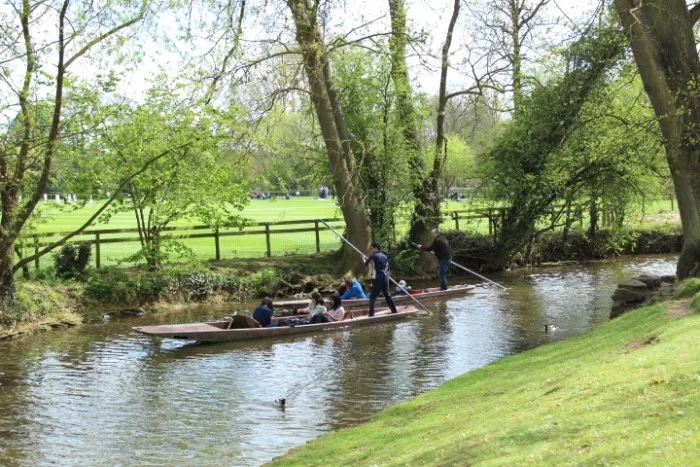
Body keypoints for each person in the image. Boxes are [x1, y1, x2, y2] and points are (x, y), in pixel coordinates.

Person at [364, 242, 398, 317]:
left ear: (376, 248)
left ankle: (371, 315)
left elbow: (366, 264)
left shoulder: (373, 256)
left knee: (372, 296)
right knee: (387, 295)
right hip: (385, 277)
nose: (371, 250)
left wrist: (363, 258)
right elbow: (388, 268)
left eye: (372, 248)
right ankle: (394, 311)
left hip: (377, 278)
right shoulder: (385, 256)